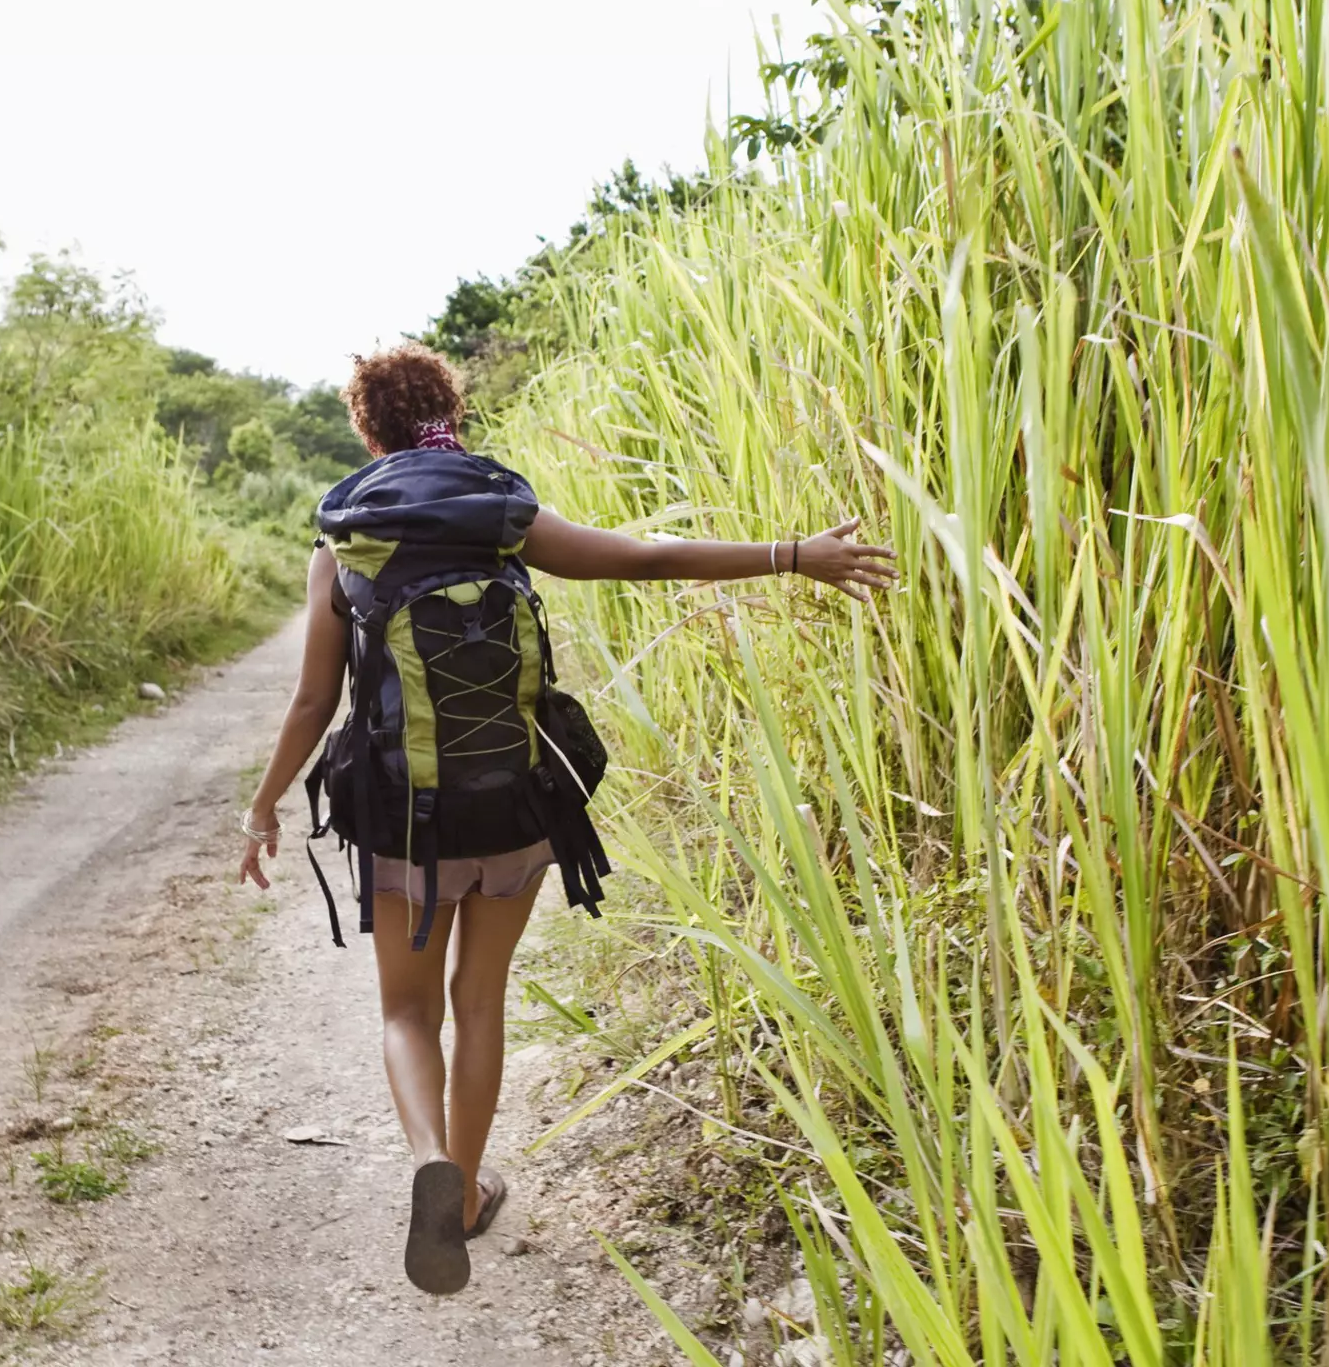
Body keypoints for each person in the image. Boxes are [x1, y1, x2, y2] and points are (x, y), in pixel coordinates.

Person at [236, 342, 897, 1293]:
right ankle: (462, 1193)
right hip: (512, 805)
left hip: (400, 816)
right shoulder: (501, 515)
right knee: (478, 1001)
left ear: (365, 429)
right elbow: (644, 559)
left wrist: (263, 809)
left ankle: (427, 1158)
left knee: (407, 1012)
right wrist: (796, 556)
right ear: (448, 417)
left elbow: (310, 704)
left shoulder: (344, 544)